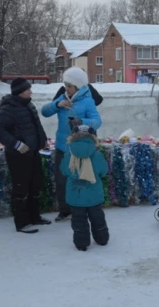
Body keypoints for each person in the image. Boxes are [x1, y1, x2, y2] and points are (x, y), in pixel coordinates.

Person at [41, 67, 102, 223]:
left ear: (78, 86)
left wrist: (81, 122)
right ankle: (65, 211)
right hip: (63, 148)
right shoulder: (62, 98)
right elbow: (44, 111)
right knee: (61, 181)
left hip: (81, 150)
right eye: (65, 85)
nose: (66, 88)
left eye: (69, 86)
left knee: (82, 181)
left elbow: (97, 122)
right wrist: (57, 105)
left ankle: (82, 210)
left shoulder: (88, 101)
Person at [0, 77, 51, 234]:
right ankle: (22, 222)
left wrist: (42, 140)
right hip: (18, 156)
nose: (30, 91)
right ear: (19, 92)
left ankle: (35, 216)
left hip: (33, 152)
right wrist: (17, 144)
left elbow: (36, 126)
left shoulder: (28, 105)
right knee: (21, 188)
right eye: (27, 89)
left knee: (35, 185)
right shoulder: (9, 108)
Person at [60, 125, 109, 251]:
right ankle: (102, 239)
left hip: (75, 195)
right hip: (94, 195)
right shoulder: (96, 155)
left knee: (78, 220)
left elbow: (64, 171)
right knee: (97, 218)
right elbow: (103, 171)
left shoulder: (68, 155)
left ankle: (82, 243)